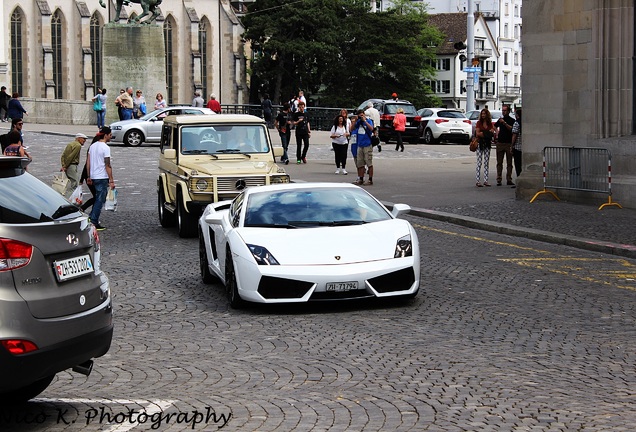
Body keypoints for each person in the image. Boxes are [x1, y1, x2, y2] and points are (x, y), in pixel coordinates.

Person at [86, 126, 115, 230]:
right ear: (106, 135)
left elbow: (88, 162)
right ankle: (93, 220)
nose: (111, 137)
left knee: (98, 198)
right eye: (110, 135)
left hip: (93, 176)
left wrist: (89, 176)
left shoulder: (93, 146)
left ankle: (92, 217)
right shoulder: (105, 148)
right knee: (100, 199)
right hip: (102, 176)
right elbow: (108, 165)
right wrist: (111, 180)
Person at [350, 109, 374, 185]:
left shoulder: (369, 121)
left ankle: (370, 179)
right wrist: (355, 121)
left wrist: (365, 121)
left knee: (368, 162)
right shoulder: (359, 122)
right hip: (360, 145)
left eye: (362, 114)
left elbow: (371, 129)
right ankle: (361, 178)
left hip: (367, 144)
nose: (361, 115)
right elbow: (352, 129)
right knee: (360, 163)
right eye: (359, 114)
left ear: (364, 114)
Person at [495, 104, 516, 186]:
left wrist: (504, 123)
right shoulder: (500, 120)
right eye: (502, 110)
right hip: (500, 143)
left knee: (509, 163)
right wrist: (496, 132)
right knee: (499, 162)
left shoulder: (511, 120)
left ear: (508, 111)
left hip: (508, 143)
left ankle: (509, 179)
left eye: (505, 110)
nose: (503, 112)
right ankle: (499, 178)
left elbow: (512, 129)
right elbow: (494, 126)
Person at [474, 108, 495, 187]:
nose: (483, 115)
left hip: (487, 144)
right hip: (480, 143)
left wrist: (484, 133)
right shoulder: (479, 123)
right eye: (482, 114)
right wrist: (488, 133)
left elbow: (492, 132)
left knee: (486, 162)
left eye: (484, 114)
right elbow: (478, 134)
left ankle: (486, 180)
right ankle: (478, 180)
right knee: (479, 162)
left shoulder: (490, 123)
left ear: (487, 115)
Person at [511, 108, 522, 187]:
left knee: (518, 165)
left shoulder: (516, 123)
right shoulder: (524, 122)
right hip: (524, 147)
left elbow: (514, 135)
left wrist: (512, 145)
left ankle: (519, 180)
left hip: (517, 147)